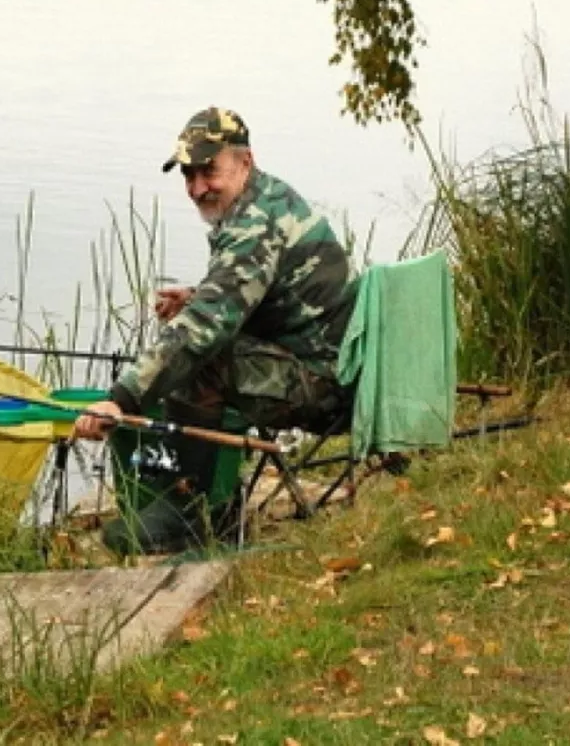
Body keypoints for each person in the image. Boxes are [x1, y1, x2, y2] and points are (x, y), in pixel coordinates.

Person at [74, 107, 358, 553]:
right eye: (189, 175)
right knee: (202, 346)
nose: (197, 187)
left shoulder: (254, 226)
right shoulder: (264, 200)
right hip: (316, 362)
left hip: (326, 387)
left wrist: (121, 398)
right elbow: (264, 294)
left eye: (209, 170)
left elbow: (202, 329)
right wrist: (197, 296)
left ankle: (194, 509)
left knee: (198, 357)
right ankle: (209, 501)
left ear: (244, 161)